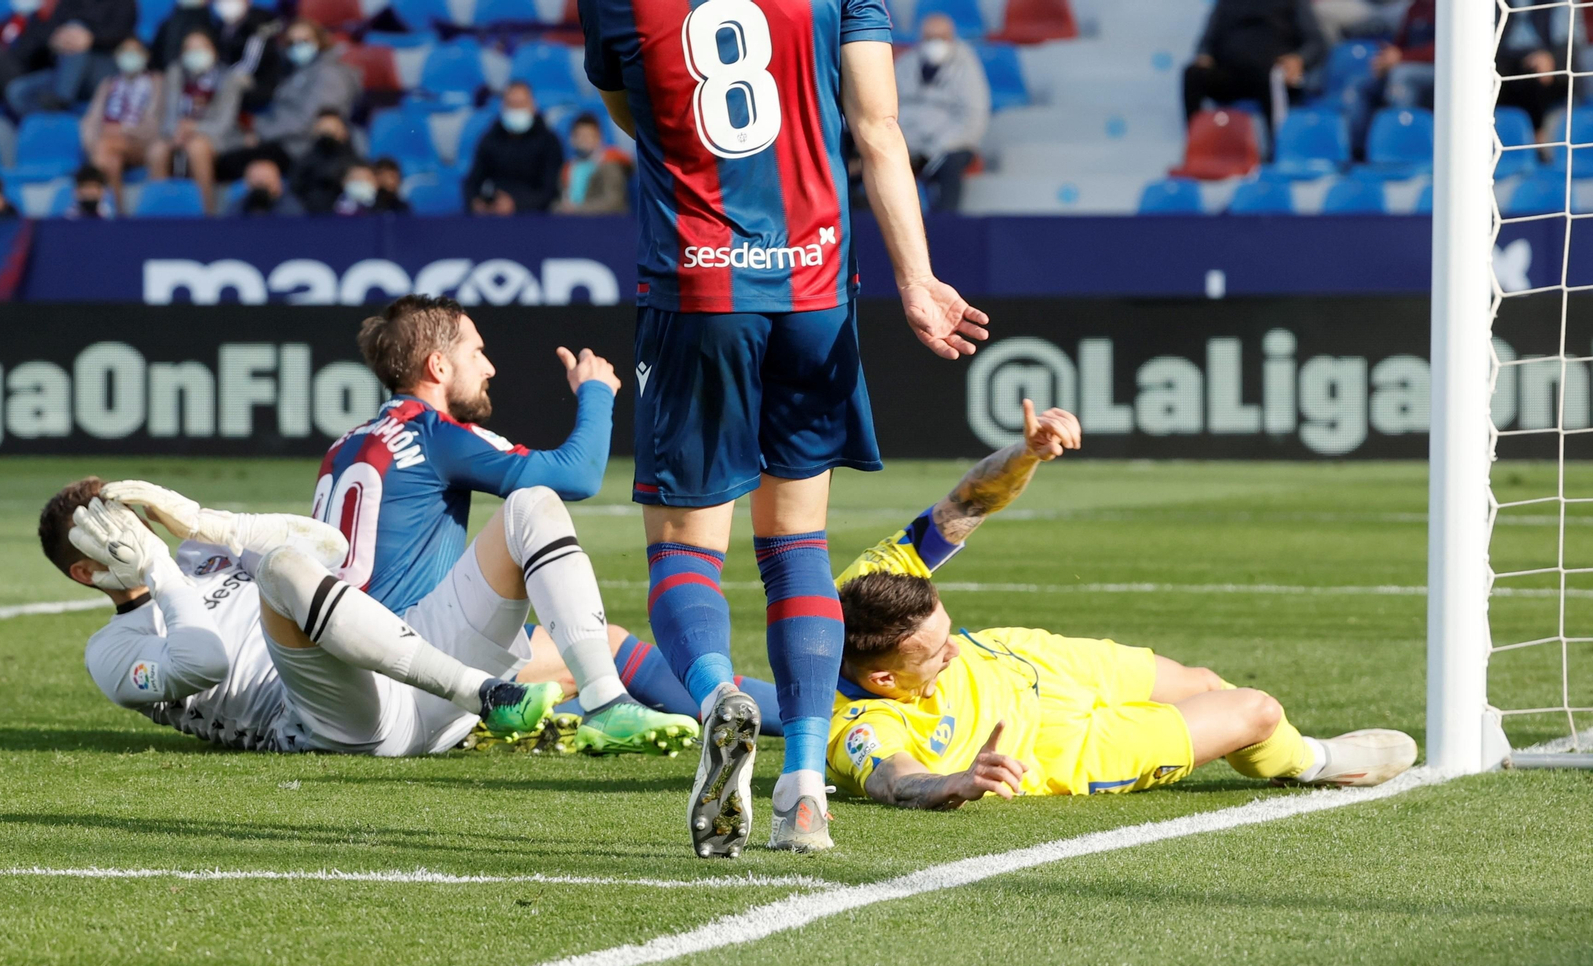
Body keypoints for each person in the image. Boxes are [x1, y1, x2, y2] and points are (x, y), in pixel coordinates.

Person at [583, 0, 989, 856]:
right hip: (813, 288)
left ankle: (712, 693)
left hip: (699, 288)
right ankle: (804, 786)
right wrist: (917, 280)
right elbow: (879, 129)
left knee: (686, 546)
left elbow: (635, 115)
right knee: (796, 542)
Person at [826, 400, 1419, 808]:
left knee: (1208, 682)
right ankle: (1317, 762)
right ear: (882, 678)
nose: (951, 646)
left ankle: (1294, 753)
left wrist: (1026, 454)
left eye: (947, 629)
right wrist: (955, 781)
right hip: (1058, 748)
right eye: (936, 653)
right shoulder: (859, 723)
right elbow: (892, 780)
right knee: (1255, 712)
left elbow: (969, 502)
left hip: (1026, 658)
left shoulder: (869, 587)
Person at [317, 295, 699, 757]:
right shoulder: (432, 433)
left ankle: (729, 711)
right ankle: (611, 703)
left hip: (344, 674)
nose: (489, 367)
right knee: (531, 507)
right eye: (476, 352)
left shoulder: (344, 446)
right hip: (412, 668)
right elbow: (576, 475)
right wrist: (596, 391)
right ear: (437, 366)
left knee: (598, 645)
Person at [38, 477, 568, 756]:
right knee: (278, 570)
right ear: (85, 573)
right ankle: (488, 698)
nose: (137, 534)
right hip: (329, 724)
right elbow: (204, 662)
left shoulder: (199, 554)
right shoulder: (110, 652)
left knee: (533, 521)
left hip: (405, 673)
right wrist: (156, 568)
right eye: (112, 534)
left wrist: (209, 523)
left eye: (128, 520)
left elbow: (331, 551)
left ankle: (605, 703)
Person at [214, 17, 357, 182]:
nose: (298, 46)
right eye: (292, 42)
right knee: (223, 152)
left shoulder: (329, 73)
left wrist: (260, 133)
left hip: (303, 148)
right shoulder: (297, 72)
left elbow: (312, 121)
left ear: (320, 40)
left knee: (227, 164)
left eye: (304, 40)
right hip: (283, 140)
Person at [894, 13, 989, 212]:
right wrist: (908, 143)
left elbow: (974, 117)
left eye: (941, 37)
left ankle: (945, 226)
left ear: (952, 37)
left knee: (950, 168)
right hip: (909, 141)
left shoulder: (966, 66)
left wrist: (939, 147)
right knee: (880, 167)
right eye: (929, 37)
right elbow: (892, 107)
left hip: (951, 143)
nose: (935, 43)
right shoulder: (906, 64)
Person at [1183, 0, 1326, 127]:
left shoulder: (1294, 2)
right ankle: (1196, 141)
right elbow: (1207, 41)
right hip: (1230, 73)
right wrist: (1204, 55)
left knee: (1272, 76)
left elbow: (1316, 42)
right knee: (1193, 73)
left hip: (1273, 72)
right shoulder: (1226, 3)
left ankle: (1277, 147)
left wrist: (1299, 59)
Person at [148, 29, 244, 213]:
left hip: (217, 136)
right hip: (177, 132)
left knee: (196, 147)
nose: (196, 53)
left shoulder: (229, 77)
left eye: (201, 48)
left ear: (213, 51)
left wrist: (195, 127)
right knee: (157, 150)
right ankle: (160, 213)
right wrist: (175, 131)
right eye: (190, 49)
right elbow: (169, 113)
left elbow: (224, 122)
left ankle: (206, 214)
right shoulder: (175, 72)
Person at [5, 0, 136, 117]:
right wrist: (55, 40)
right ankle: (55, 121)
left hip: (101, 71)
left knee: (76, 28)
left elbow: (122, 34)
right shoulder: (69, 2)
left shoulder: (123, 3)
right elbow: (49, 31)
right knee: (18, 92)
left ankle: (61, 100)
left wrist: (91, 39)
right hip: (66, 71)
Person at [80, 35, 160, 210]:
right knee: (111, 160)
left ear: (146, 56)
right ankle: (118, 212)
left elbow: (156, 125)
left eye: (135, 52)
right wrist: (95, 142)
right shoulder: (108, 84)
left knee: (104, 148)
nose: (129, 56)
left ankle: (100, 212)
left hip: (143, 144)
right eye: (125, 52)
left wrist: (123, 130)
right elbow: (90, 121)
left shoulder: (157, 82)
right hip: (109, 144)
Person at [464, 81, 562, 215]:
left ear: (533, 106)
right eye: (512, 105)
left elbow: (551, 190)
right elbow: (473, 180)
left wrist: (516, 204)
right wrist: (475, 202)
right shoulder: (490, 138)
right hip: (494, 215)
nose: (516, 110)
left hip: (535, 218)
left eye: (521, 104)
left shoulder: (549, 141)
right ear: (503, 107)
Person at [1499, 0, 1590, 133]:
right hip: (1502, 62)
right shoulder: (1488, 6)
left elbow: (1572, 46)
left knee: (1540, 71)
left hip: (1544, 66)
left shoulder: (1560, 3)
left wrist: (1551, 58)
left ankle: (1540, 136)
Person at [554, 113, 630, 215]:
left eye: (589, 136)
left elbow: (614, 202)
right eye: (580, 136)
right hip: (573, 223)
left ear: (599, 138)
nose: (585, 140)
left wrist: (577, 209)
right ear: (572, 138)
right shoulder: (568, 168)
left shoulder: (610, 165)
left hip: (605, 225)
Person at [289, 107, 356, 215]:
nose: (329, 133)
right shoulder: (303, 163)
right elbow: (295, 189)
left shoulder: (354, 163)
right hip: (310, 217)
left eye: (333, 128)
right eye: (324, 128)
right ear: (315, 130)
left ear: (344, 131)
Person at [1370, 0, 1434, 111]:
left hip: (1436, 69)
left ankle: (1402, 123)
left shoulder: (1446, 9)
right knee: (1362, 84)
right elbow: (1400, 44)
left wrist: (1401, 57)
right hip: (1408, 63)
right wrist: (1386, 59)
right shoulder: (1415, 8)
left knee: (1401, 75)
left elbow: (1441, 51)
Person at [225, 155, 303, 215]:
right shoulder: (239, 207)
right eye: (257, 183)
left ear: (278, 184)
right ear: (247, 184)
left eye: (266, 182)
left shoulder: (291, 212)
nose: (261, 190)